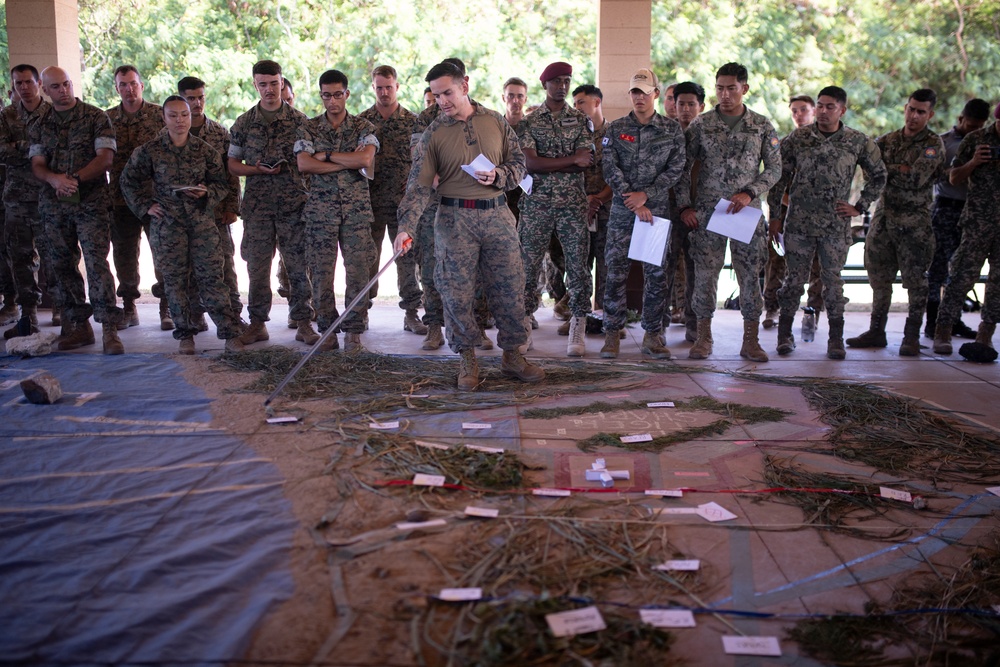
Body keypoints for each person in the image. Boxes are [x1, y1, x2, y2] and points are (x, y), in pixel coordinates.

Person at [394, 61, 543, 390]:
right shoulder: (434, 133)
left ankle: (513, 356)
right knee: (456, 294)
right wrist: (406, 227)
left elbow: (519, 163)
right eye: (436, 95)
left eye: (447, 92)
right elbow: (418, 186)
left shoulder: (495, 121)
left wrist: (499, 176)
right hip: (454, 220)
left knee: (510, 288)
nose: (442, 101)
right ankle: (467, 359)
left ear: (465, 85)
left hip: (497, 215)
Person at [120, 96, 250, 354]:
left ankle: (229, 334)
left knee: (213, 279)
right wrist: (146, 206)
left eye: (184, 115)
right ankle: (185, 336)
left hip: (202, 223)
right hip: (168, 226)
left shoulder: (205, 151)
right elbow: (128, 180)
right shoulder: (150, 151)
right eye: (173, 115)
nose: (180, 121)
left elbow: (222, 183)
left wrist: (206, 193)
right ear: (164, 118)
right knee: (175, 282)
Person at [768, 85, 887, 359]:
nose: (822, 111)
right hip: (798, 223)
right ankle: (785, 335)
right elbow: (778, 178)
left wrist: (859, 206)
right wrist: (775, 216)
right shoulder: (798, 138)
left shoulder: (857, 141)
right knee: (793, 282)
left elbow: (879, 174)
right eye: (819, 105)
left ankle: (836, 339)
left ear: (842, 110)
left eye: (829, 106)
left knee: (833, 283)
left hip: (835, 226)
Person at [677, 62, 781, 362]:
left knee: (750, 276)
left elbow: (775, 169)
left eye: (731, 88)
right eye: (720, 88)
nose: (725, 94)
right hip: (709, 213)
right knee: (706, 276)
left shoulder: (761, 125)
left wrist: (751, 192)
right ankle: (703, 337)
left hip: (745, 214)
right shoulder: (701, 124)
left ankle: (751, 340)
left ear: (744, 89)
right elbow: (683, 170)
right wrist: (685, 206)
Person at [29, 66, 125, 353]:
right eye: (56, 87)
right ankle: (79, 327)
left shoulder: (96, 117)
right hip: (54, 205)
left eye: (67, 84)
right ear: (45, 90)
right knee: (61, 265)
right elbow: (37, 164)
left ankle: (109, 328)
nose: (64, 90)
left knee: (97, 264)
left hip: (91, 202)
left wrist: (74, 180)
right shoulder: (39, 123)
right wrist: (54, 179)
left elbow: (105, 158)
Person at [846, 89, 945, 355]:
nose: (913, 115)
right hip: (884, 219)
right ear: (905, 108)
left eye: (921, 112)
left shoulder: (933, 144)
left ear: (930, 114)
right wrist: (897, 168)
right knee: (879, 278)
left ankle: (911, 336)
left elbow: (916, 178)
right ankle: (877, 331)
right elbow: (870, 171)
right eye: (911, 109)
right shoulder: (887, 140)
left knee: (915, 281)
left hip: (915, 224)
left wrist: (889, 169)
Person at [599, 68, 685, 360]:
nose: (639, 97)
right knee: (615, 273)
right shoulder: (616, 128)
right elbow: (610, 168)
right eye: (634, 92)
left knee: (656, 275)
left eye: (644, 92)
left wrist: (646, 195)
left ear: (656, 94)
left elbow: (676, 168)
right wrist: (633, 200)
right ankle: (611, 335)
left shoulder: (671, 130)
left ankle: (652, 335)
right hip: (624, 212)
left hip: (655, 213)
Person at [228, 60, 313, 346]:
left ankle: (303, 322)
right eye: (263, 84)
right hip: (258, 209)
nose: (269, 90)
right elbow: (232, 164)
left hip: (293, 206)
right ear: (255, 85)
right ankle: (257, 324)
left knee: (298, 267)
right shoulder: (243, 122)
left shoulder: (301, 121)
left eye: (274, 83)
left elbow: (309, 162)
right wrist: (255, 169)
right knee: (257, 269)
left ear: (282, 83)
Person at [296, 69, 379, 353]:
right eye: (327, 95)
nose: (332, 101)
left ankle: (353, 331)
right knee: (321, 274)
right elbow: (305, 165)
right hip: (321, 213)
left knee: (357, 273)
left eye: (338, 94)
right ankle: (328, 330)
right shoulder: (308, 128)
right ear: (321, 96)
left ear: (347, 94)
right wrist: (349, 161)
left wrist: (328, 156)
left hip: (356, 213)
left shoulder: (363, 127)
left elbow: (366, 158)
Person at [517, 61, 594, 357]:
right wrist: (571, 160)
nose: (562, 86)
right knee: (528, 266)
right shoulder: (529, 122)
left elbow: (586, 158)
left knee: (578, 266)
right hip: (537, 205)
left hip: (573, 205)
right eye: (556, 81)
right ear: (544, 84)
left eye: (566, 81)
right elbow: (530, 163)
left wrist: (564, 161)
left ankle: (578, 323)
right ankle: (524, 321)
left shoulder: (580, 119)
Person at [358, 65, 424, 335]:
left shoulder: (413, 121)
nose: (384, 92)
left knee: (407, 260)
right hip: (369, 205)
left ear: (397, 87)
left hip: (403, 206)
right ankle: (361, 312)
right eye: (379, 87)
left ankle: (411, 314)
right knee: (365, 260)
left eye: (389, 87)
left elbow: (422, 163)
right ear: (373, 88)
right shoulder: (361, 122)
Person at [409, 57, 466, 352]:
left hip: (471, 205)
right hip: (434, 206)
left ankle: (472, 329)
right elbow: (420, 163)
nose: (444, 98)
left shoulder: (480, 116)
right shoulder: (425, 119)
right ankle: (434, 327)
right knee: (431, 267)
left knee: (471, 271)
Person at [106, 66, 170, 330]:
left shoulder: (159, 115)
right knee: (124, 254)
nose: (129, 89)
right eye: (123, 85)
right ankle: (129, 305)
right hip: (121, 200)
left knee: (163, 252)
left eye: (133, 84)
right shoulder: (106, 119)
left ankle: (167, 306)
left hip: (156, 199)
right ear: (117, 88)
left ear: (141, 85)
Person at [933, 102, 1000, 353]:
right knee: (961, 276)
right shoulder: (976, 139)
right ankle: (943, 330)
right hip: (977, 224)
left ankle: (986, 334)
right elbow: (953, 177)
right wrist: (974, 162)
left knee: (998, 283)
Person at [177, 76, 243, 326]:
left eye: (200, 97)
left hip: (215, 212)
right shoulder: (168, 133)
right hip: (181, 215)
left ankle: (233, 316)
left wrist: (231, 207)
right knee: (188, 267)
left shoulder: (218, 133)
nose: (196, 103)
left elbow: (231, 173)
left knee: (225, 265)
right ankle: (194, 315)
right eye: (190, 98)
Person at [1, 64, 57, 338]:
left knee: (56, 255)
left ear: (39, 84)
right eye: (18, 83)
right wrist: (33, 148)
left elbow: (60, 150)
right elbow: (2, 152)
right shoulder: (7, 115)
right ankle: (29, 314)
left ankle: (62, 309)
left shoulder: (53, 113)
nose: (23, 87)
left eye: (27, 82)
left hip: (49, 197)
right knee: (21, 259)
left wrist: (21, 148)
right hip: (17, 201)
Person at [762, 94, 824, 330]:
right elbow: (775, 180)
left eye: (804, 110)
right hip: (787, 212)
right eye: (795, 111)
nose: (799, 115)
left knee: (817, 267)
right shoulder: (786, 143)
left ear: (814, 112)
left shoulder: (826, 143)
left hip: (818, 216)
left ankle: (812, 313)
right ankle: (772, 309)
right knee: (776, 261)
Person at [665, 81, 705, 342]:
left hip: (697, 212)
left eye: (692, 104)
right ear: (673, 105)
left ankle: (693, 323)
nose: (686, 109)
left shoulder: (708, 134)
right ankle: (658, 323)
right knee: (662, 267)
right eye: (681, 104)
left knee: (696, 269)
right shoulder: (664, 133)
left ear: (701, 106)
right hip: (666, 210)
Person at [572, 84, 612, 313]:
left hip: (607, 208)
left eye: (581, 102)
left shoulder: (615, 133)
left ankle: (607, 317)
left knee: (607, 264)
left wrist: (599, 198)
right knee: (579, 265)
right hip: (580, 209)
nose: (576, 107)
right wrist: (586, 200)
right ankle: (579, 315)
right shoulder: (574, 135)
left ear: (596, 102)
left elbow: (620, 173)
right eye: (575, 103)